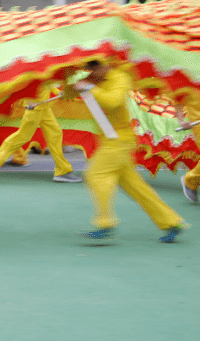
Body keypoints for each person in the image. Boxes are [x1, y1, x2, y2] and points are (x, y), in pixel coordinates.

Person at [68, 60, 185, 243]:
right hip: (109, 139)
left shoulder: (120, 78)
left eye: (95, 67)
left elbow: (113, 102)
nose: (91, 71)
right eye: (89, 68)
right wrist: (68, 78)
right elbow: (67, 95)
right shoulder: (94, 79)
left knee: (95, 175)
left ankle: (105, 222)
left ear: (106, 64)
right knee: (136, 187)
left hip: (119, 140)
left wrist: (90, 86)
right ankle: (172, 222)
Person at [0, 89, 82, 183]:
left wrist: (57, 91)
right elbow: (29, 78)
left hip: (43, 105)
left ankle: (63, 171)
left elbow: (45, 81)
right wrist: (29, 99)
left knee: (55, 133)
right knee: (23, 136)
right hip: (36, 106)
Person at [176, 98, 200, 203]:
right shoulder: (185, 83)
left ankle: (191, 180)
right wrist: (181, 121)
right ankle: (190, 180)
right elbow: (178, 100)